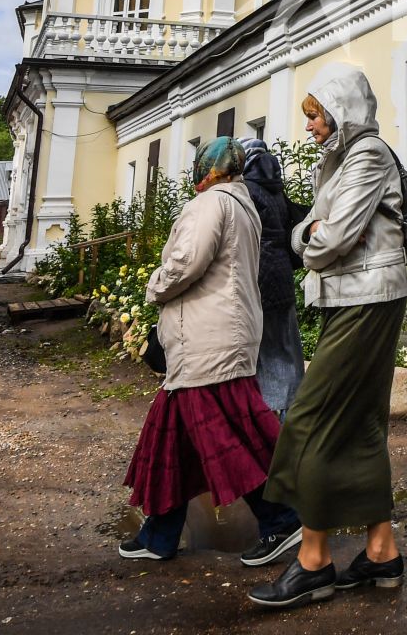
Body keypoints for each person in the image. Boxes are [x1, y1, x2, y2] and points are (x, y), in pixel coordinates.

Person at [253, 66, 407, 611]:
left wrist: (311, 238)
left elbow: (331, 238)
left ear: (341, 109)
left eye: (316, 115)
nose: (311, 127)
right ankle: (381, 550)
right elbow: (309, 230)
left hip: (368, 297)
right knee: (362, 423)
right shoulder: (338, 161)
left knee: (309, 418)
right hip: (353, 295)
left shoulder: (367, 155)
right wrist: (310, 234)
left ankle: (314, 561)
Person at [119, 137, 302, 566]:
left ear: (209, 169)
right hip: (220, 337)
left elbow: (186, 264)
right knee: (173, 438)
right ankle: (159, 535)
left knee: (230, 438)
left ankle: (281, 520)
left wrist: (154, 286)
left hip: (206, 342)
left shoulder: (208, 205)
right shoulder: (242, 205)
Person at [240, 138, 310, 413]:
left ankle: (275, 422)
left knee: (265, 354)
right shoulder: (275, 189)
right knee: (286, 348)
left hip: (257, 278)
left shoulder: (245, 190)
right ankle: (293, 409)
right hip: (281, 277)